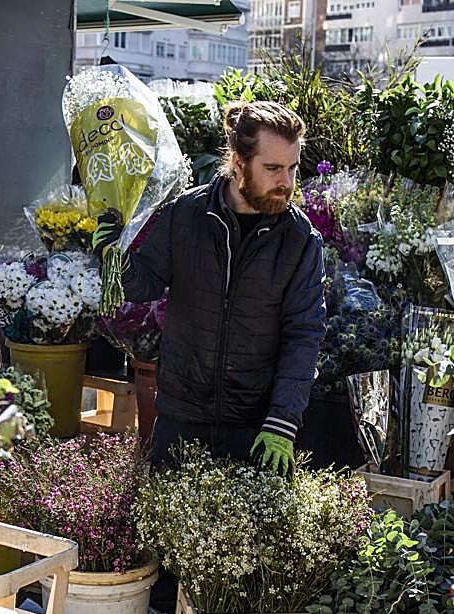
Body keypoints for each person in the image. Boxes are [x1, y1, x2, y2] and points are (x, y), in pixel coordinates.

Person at [93, 100, 325, 477]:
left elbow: (304, 333)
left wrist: (283, 421)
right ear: (238, 162)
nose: (286, 182)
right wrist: (114, 256)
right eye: (273, 168)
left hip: (256, 429)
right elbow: (144, 283)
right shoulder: (186, 214)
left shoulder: (300, 240)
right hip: (181, 420)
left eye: (292, 168)